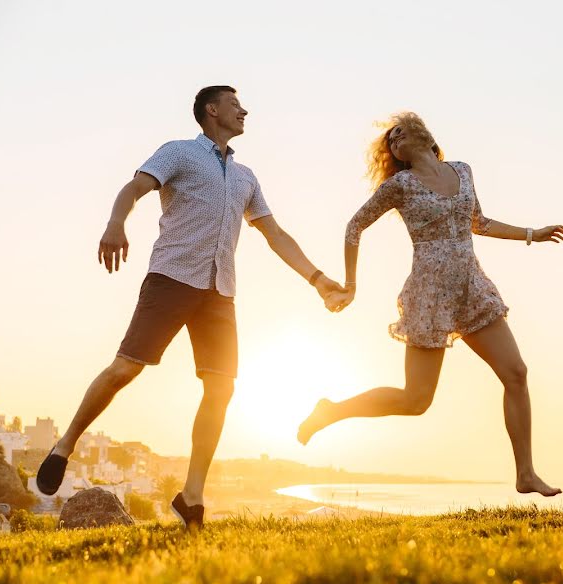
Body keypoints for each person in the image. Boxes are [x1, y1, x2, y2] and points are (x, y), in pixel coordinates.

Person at [36, 86, 341, 528]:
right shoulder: (178, 153)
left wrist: (317, 279)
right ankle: (64, 444)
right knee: (126, 368)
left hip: (220, 291)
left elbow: (275, 234)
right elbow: (134, 187)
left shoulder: (246, 177)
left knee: (221, 389)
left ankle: (191, 496)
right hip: (171, 278)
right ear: (212, 110)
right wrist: (115, 224)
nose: (244, 110)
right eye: (236, 104)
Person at [297, 113, 563, 496]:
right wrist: (351, 285)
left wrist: (530, 234)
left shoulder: (462, 170)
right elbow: (354, 227)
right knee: (416, 401)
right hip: (429, 294)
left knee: (516, 373)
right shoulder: (400, 185)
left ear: (422, 134)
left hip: (472, 287)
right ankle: (333, 411)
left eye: (398, 134)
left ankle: (526, 473)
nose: (393, 143)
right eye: (389, 142)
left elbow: (480, 222)